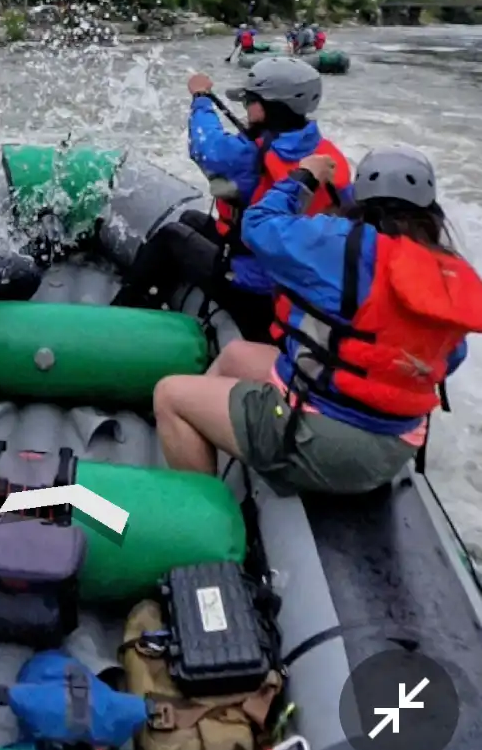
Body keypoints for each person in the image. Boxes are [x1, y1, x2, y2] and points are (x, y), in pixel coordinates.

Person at [154, 145, 482, 496]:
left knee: (169, 394)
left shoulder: (339, 243)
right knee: (236, 355)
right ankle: (215, 442)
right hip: (396, 446)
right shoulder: (448, 273)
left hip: (326, 443)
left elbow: (258, 225)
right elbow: (450, 357)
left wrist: (304, 177)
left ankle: (201, 525)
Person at [115, 57, 351, 342]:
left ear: (267, 108)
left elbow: (205, 146)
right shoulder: (322, 151)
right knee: (192, 219)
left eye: (249, 100)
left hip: (257, 287)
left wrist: (201, 98)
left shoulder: (249, 154)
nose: (245, 107)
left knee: (171, 236)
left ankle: (118, 316)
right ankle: (160, 300)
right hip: (289, 274)